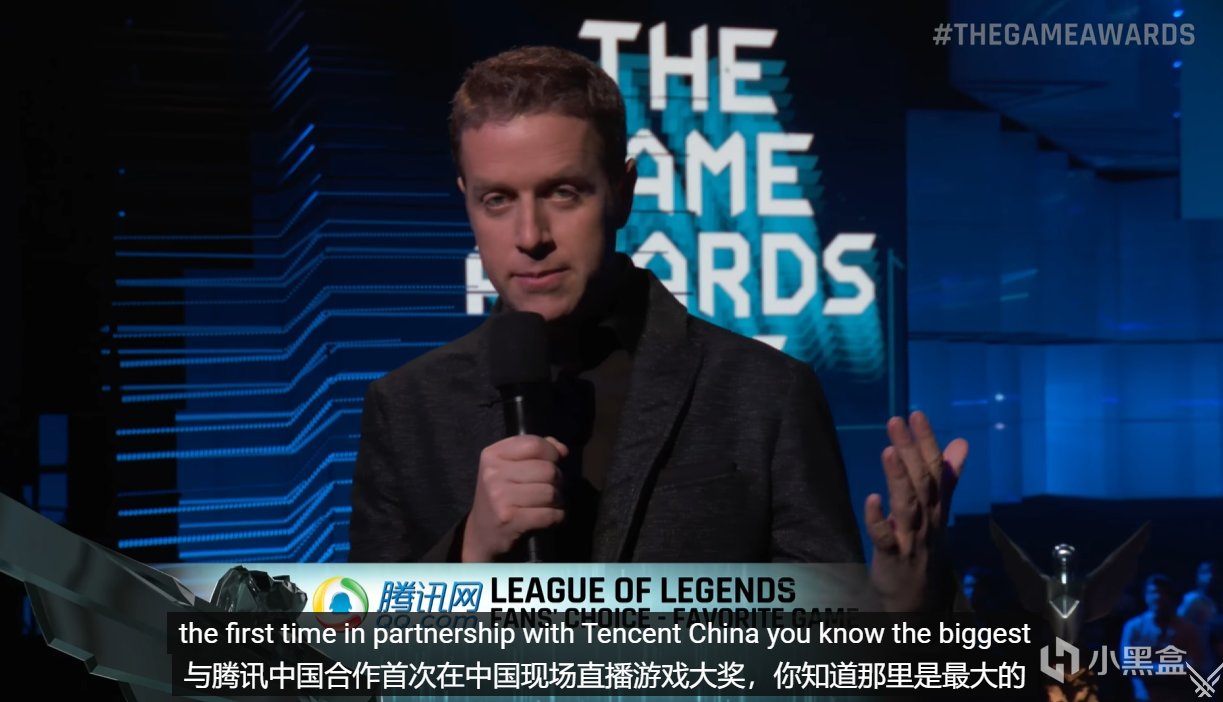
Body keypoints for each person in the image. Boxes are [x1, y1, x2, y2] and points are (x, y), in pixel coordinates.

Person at [347, 46, 968, 612]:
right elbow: (357, 659)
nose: (530, 236)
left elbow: (821, 653)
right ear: (466, 201)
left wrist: (897, 605)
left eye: (563, 192)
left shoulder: (765, 393)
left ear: (622, 191)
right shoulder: (405, 408)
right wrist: (468, 554)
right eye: (497, 200)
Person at [1120, 574, 1205, 702]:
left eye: (1163, 592)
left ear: (1171, 597)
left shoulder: (1187, 628)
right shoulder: (1134, 627)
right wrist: (1172, 669)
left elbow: (1193, 666)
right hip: (1143, 697)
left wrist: (1147, 669)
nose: (1158, 597)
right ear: (1145, 596)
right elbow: (1128, 665)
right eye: (1153, 592)